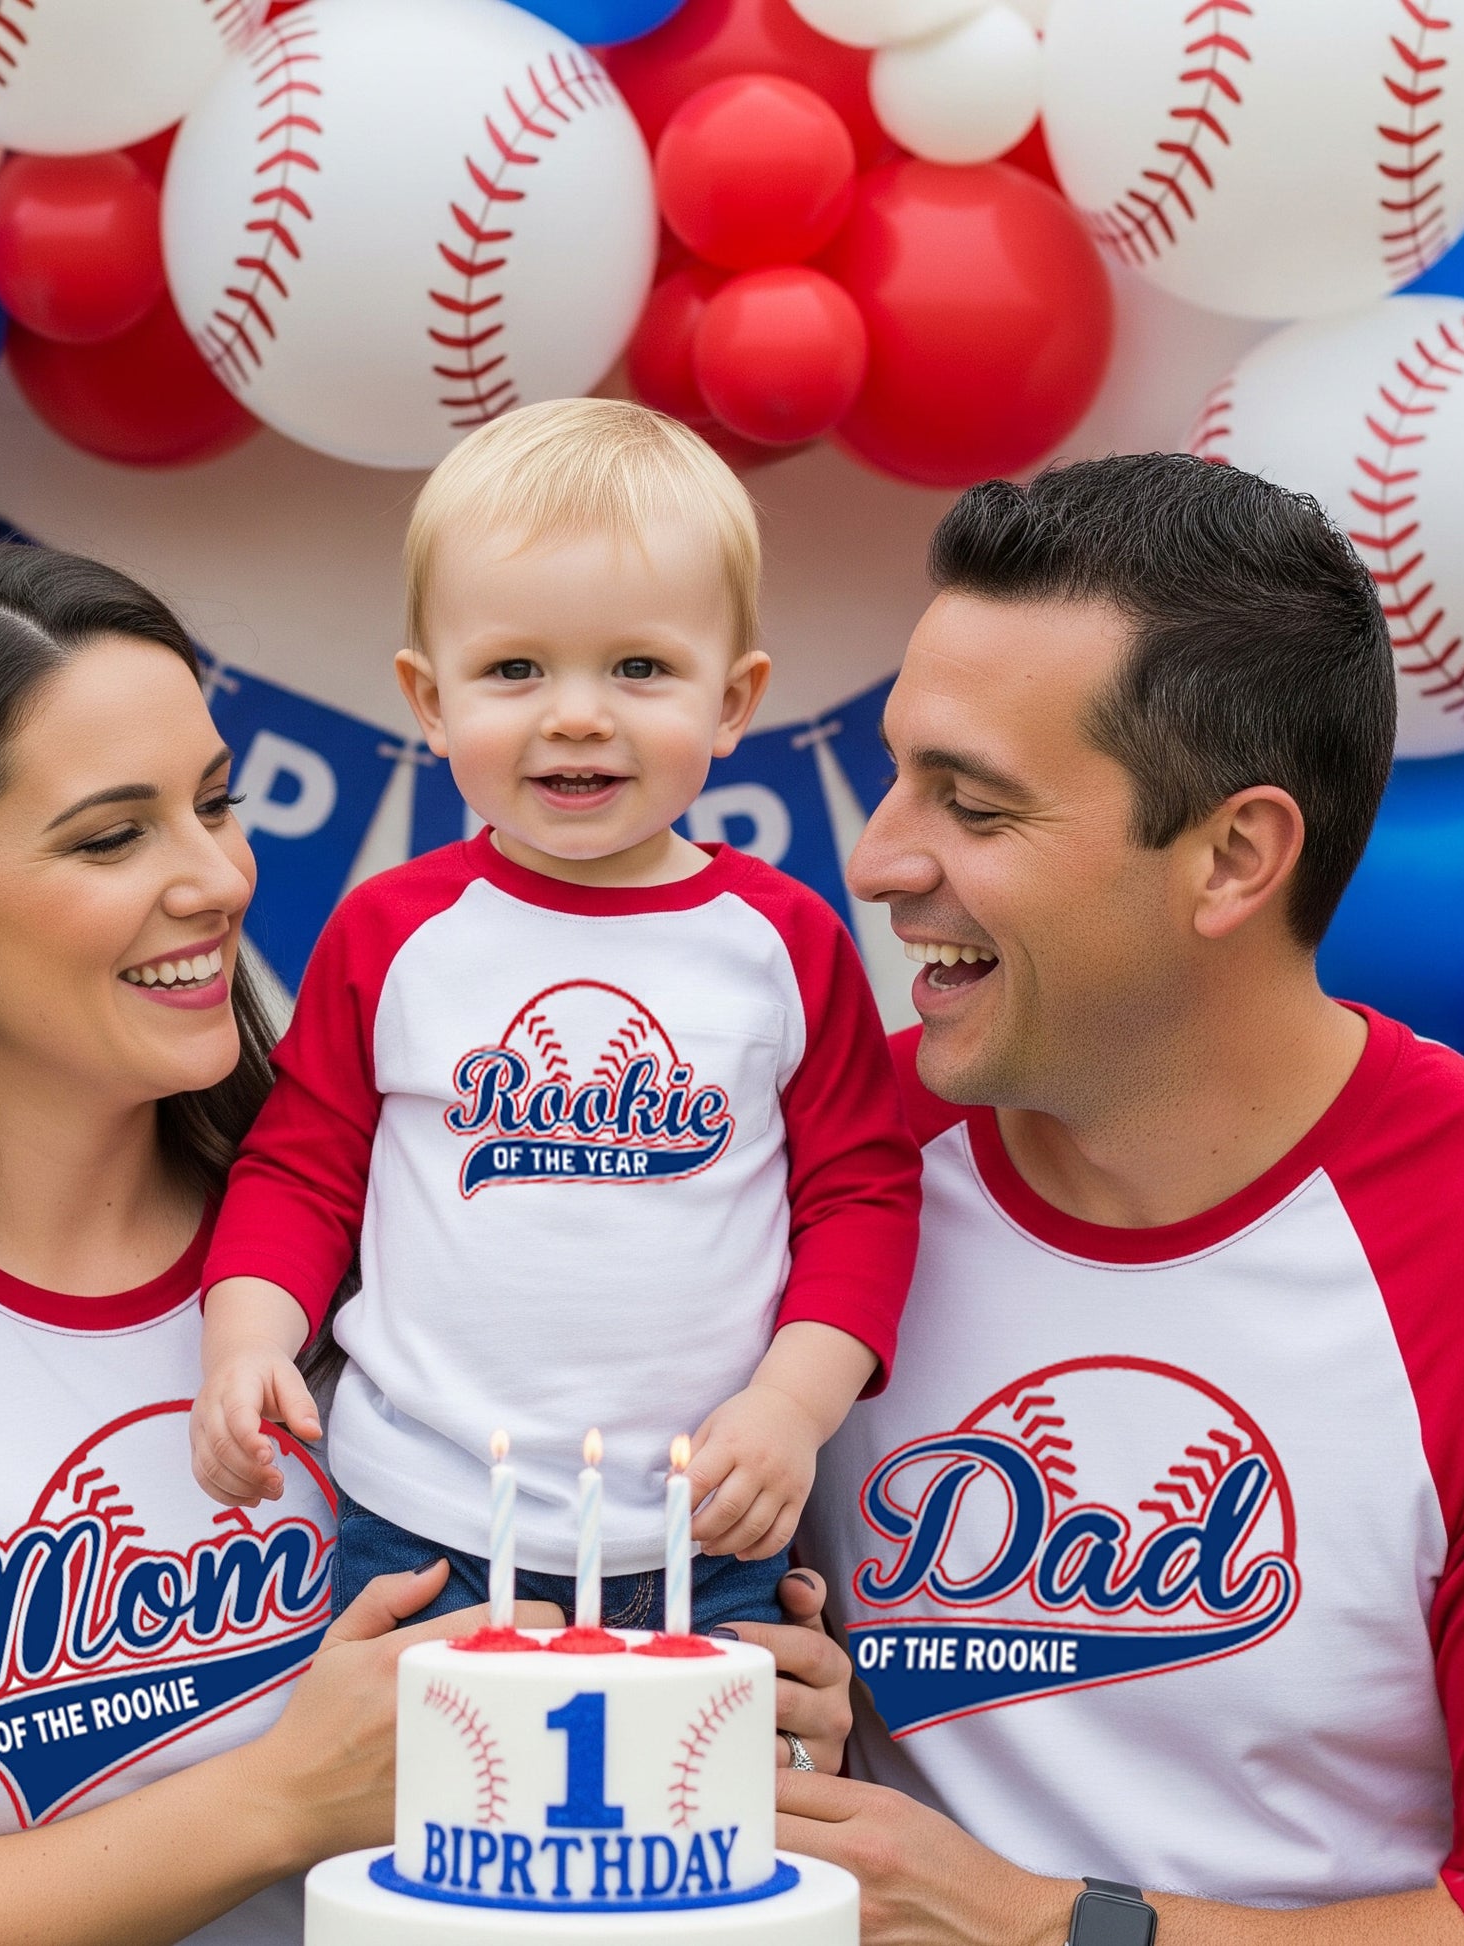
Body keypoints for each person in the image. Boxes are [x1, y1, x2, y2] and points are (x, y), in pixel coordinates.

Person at [0, 541, 856, 1946]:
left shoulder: (400, 1219)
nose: (216, 878)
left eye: (215, 803)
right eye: (110, 837)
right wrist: (281, 1797)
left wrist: (752, 1730)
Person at [783, 455, 1464, 1945]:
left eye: (973, 804)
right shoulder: (815, 1155)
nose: (876, 858)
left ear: (1231, 857)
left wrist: (1041, 1923)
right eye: (896, 774)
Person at [191, 399, 919, 1627]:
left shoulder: (781, 941)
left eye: (638, 667)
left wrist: (792, 1406)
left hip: (706, 1523)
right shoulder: (394, 931)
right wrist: (246, 1338)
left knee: (703, 1764)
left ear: (732, 698)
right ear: (429, 698)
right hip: (425, 1516)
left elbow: (861, 1195)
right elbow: (303, 1169)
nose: (576, 713)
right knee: (421, 1762)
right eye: (514, 668)